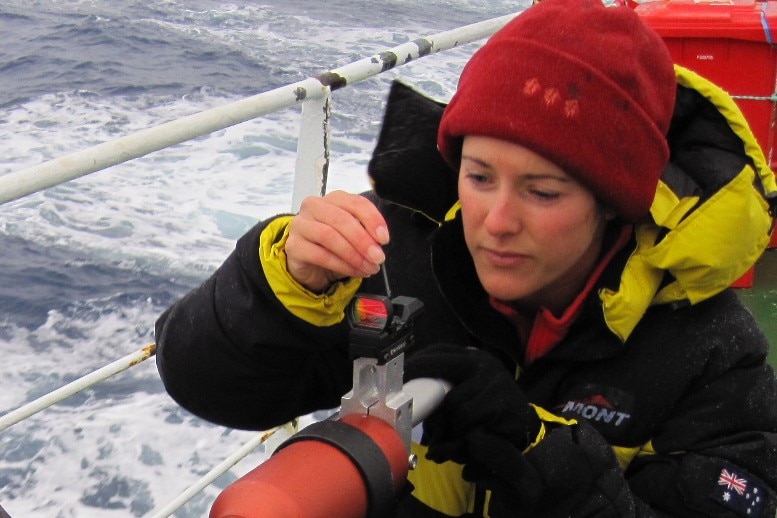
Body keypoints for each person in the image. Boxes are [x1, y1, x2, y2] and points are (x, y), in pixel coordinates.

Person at [155, 0, 777, 516]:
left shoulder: (711, 351)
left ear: (612, 204)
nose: (498, 222)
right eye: (479, 177)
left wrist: (542, 455)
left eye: (542, 192)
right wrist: (285, 283)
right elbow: (207, 387)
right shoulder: (393, 256)